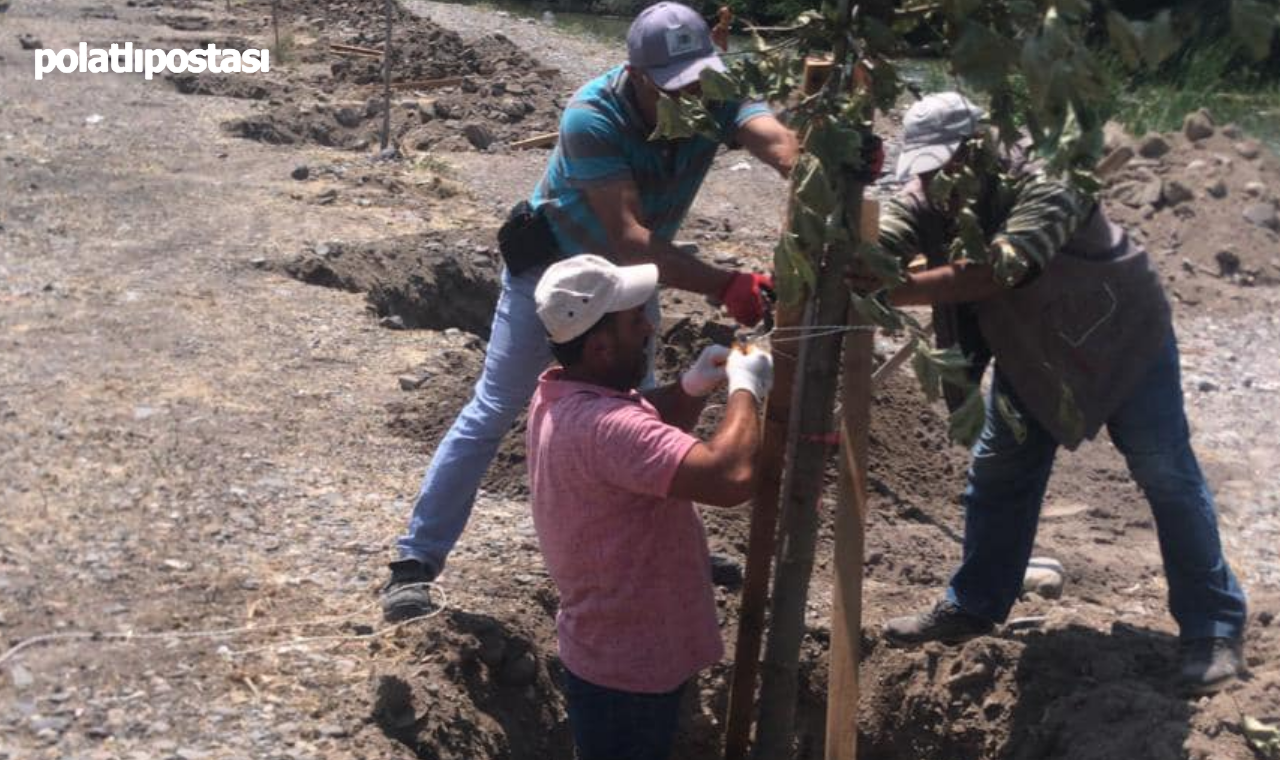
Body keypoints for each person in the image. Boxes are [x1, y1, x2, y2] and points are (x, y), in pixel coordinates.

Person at [381, 1, 799, 620]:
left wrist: (818, 168)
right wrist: (724, 283)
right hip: (554, 276)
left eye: (701, 79)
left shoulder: (714, 90)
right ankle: (415, 561)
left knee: (646, 412)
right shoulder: (592, 115)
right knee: (495, 407)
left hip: (629, 281)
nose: (694, 96)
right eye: (676, 86)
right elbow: (627, 235)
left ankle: (671, 543)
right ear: (639, 75)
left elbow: (776, 140)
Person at [861, 92, 1247, 694]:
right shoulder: (930, 192)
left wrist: (891, 291)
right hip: (1035, 352)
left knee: (1163, 468)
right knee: (999, 469)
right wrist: (859, 261)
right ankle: (974, 604)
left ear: (980, 146)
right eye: (928, 170)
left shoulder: (1049, 176)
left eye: (948, 164)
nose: (939, 181)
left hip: (1122, 336)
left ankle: (1213, 627)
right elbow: (896, 225)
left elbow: (1001, 268)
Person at [526, 254, 773, 760]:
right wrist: (746, 389)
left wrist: (691, 387)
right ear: (599, 346)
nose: (650, 326)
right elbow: (729, 477)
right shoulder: (607, 428)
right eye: (635, 320)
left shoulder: (561, 393)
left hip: (611, 654)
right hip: (631, 669)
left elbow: (639, 424)